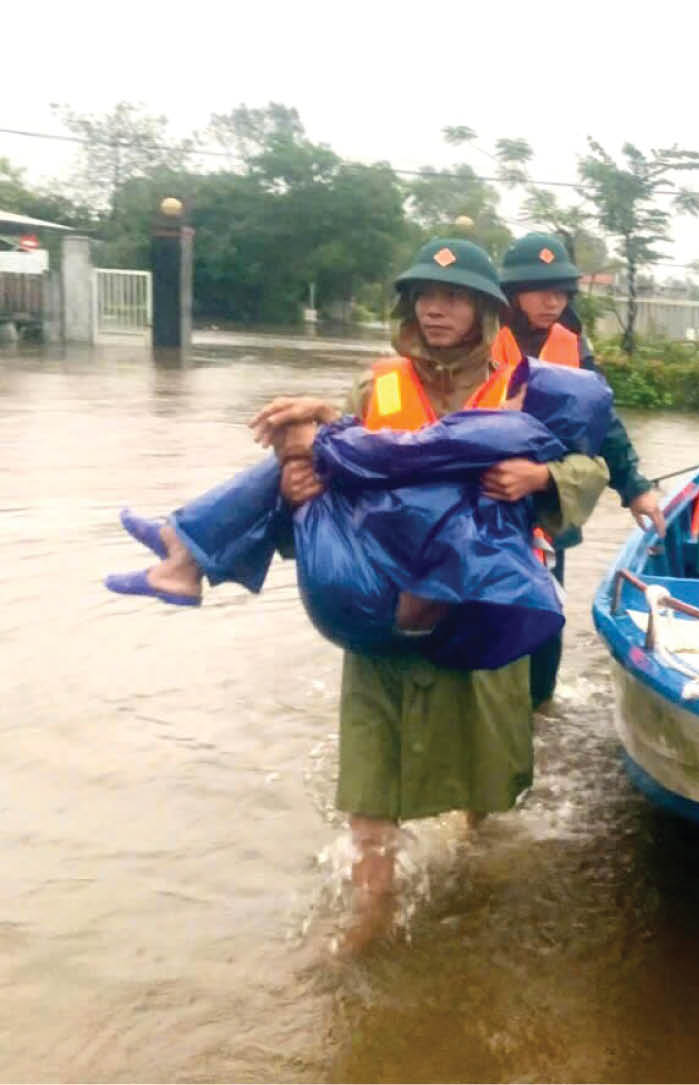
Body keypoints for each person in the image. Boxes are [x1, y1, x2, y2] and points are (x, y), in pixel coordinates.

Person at [115, 238, 610, 951]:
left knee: (487, 781)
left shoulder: (531, 385)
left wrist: (543, 481)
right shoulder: (372, 389)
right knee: (371, 779)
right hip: (384, 604)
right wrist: (297, 487)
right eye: (422, 298)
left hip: (479, 605)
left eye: (454, 298)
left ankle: (472, 869)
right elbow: (325, 487)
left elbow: (587, 465)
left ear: (484, 312)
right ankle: (370, 916)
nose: (435, 310)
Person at [491, 231, 663, 704]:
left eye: (562, 290)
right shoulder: (480, 337)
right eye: (541, 289)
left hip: (548, 506)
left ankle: (537, 714)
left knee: (545, 622)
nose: (554, 300)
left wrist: (634, 487)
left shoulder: (572, 344)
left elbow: (602, 419)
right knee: (483, 622)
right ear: (511, 292)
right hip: (484, 507)